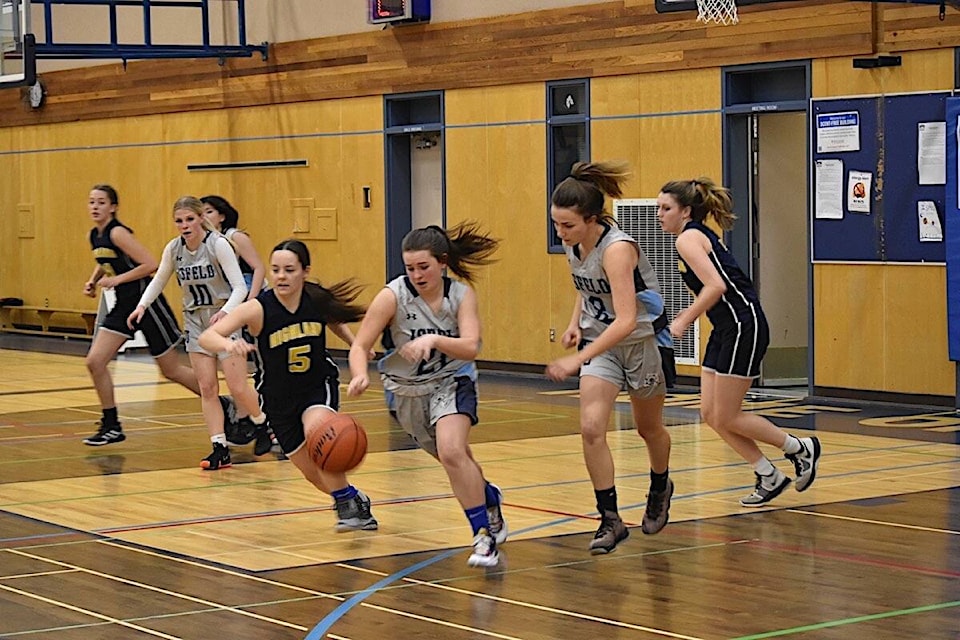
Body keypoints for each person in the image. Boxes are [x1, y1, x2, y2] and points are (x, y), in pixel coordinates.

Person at [346, 222, 507, 567]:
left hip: (452, 380)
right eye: (410, 267)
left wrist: (433, 339)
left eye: (424, 266)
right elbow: (360, 345)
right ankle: (488, 496)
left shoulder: (460, 295)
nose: (417, 274)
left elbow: (470, 346)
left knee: (452, 451)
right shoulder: (392, 296)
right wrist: (359, 374)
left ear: (442, 262)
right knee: (454, 459)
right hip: (406, 393)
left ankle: (482, 538)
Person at [656, 177, 821, 506]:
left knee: (727, 415)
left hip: (744, 326)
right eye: (658, 207)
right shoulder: (694, 237)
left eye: (666, 208)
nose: (660, 214)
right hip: (725, 329)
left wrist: (683, 320)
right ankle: (768, 473)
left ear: (686, 211)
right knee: (710, 414)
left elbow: (716, 286)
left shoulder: (688, 239)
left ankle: (799, 448)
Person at [198, 239, 378, 531]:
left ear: (305, 271)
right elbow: (208, 337)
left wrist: (355, 344)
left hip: (317, 386)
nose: (281, 276)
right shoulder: (258, 309)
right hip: (278, 399)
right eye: (276, 270)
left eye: (289, 270)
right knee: (314, 474)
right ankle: (353, 500)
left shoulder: (314, 299)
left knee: (319, 433)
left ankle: (346, 508)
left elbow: (333, 318)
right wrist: (228, 345)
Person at [547, 161, 674, 555]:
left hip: (643, 344)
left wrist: (575, 358)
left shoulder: (618, 250)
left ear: (592, 219)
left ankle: (660, 484)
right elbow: (586, 289)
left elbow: (625, 321)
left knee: (648, 429)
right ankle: (611, 518)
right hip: (603, 348)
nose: (560, 232)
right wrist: (574, 323)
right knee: (590, 429)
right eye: (556, 224)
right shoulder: (575, 244)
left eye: (567, 226)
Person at [128, 196, 267, 470]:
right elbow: (159, 280)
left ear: (201, 218)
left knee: (238, 386)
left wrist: (226, 312)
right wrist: (142, 305)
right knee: (207, 388)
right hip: (195, 322)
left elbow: (239, 286)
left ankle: (263, 425)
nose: (184, 225)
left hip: (224, 321)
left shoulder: (219, 245)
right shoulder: (174, 249)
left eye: (189, 219)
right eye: (179, 221)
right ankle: (219, 447)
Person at [81, 184, 202, 446]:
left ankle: (225, 405)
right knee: (94, 361)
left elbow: (151, 264)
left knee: (170, 370)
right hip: (124, 306)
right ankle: (112, 425)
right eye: (91, 202)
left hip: (147, 304)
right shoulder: (95, 235)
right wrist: (94, 280)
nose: (95, 207)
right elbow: (105, 260)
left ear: (113, 207)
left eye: (101, 202)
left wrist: (117, 280)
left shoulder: (118, 232)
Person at [201, 194, 274, 455]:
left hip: (252, 301)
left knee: (257, 365)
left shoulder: (235, 236)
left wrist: (251, 299)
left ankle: (265, 421)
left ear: (221, 215)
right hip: (233, 306)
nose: (204, 217)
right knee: (236, 369)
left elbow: (259, 268)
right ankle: (247, 418)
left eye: (208, 211)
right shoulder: (208, 243)